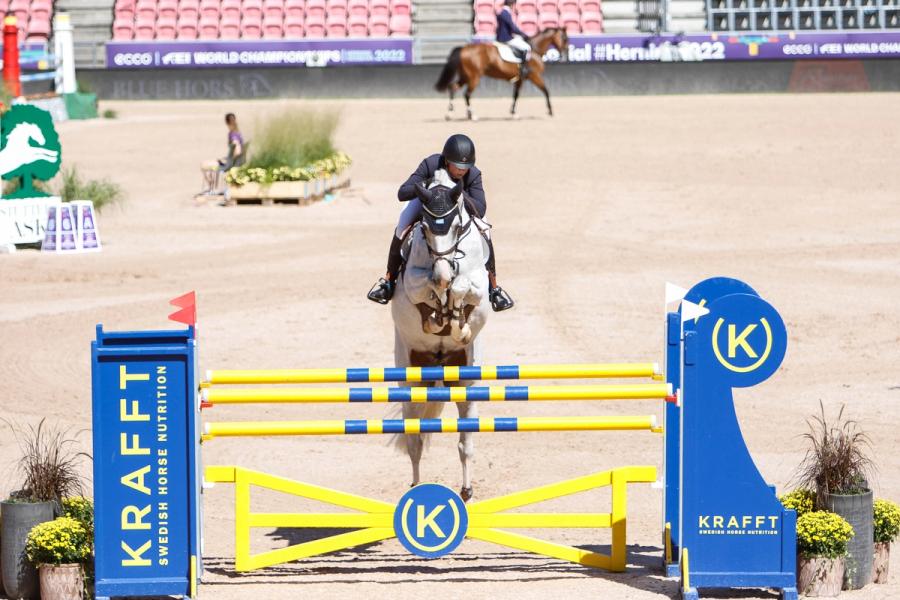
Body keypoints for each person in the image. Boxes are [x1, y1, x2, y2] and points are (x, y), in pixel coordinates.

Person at [366, 134, 514, 312]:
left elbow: (480, 209)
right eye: (458, 166)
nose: (461, 170)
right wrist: (430, 183)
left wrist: (455, 190)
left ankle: (494, 288)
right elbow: (402, 193)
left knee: (485, 230)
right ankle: (388, 282)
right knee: (402, 226)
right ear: (446, 160)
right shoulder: (430, 164)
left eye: (465, 166)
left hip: (458, 208)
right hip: (428, 203)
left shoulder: (473, 174)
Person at [201, 113, 246, 195]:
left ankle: (212, 187)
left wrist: (230, 159)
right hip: (238, 161)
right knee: (216, 161)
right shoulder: (238, 133)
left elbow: (237, 148)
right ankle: (213, 187)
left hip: (230, 164)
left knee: (203, 165)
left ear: (226, 122)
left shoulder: (232, 134)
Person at [496, 0, 532, 80]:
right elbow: (512, 27)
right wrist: (524, 34)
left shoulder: (502, 12)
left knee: (519, 40)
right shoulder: (505, 13)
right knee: (527, 47)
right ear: (512, 4)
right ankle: (523, 68)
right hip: (506, 38)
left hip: (504, 36)